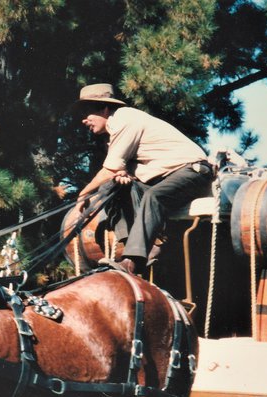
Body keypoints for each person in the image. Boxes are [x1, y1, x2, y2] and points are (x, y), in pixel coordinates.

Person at [72, 83, 213, 274]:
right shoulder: (116, 129)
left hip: (195, 173)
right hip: (169, 177)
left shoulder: (124, 119)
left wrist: (83, 194)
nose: (83, 120)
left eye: (87, 113)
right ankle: (134, 246)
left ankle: (134, 260)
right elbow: (119, 170)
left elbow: (110, 168)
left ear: (104, 109)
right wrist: (125, 175)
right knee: (112, 189)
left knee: (154, 197)